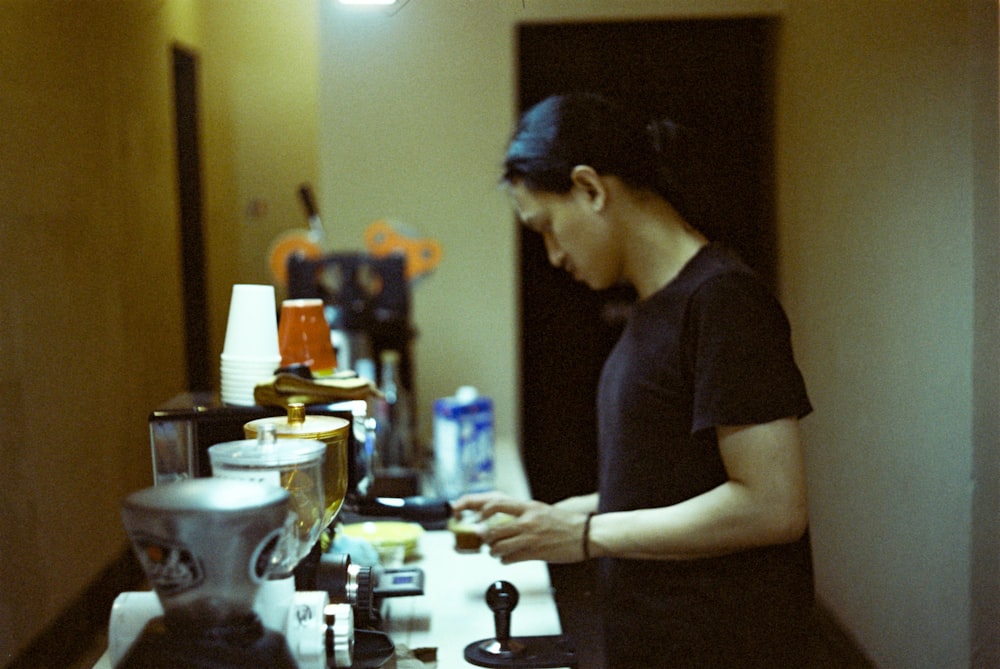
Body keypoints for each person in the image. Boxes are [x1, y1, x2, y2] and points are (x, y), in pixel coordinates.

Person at [453, 93, 815, 668]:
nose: (551, 255)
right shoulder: (654, 308)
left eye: (547, 227)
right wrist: (561, 515)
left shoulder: (723, 300)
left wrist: (586, 534)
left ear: (591, 188)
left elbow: (773, 506)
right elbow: (668, 483)